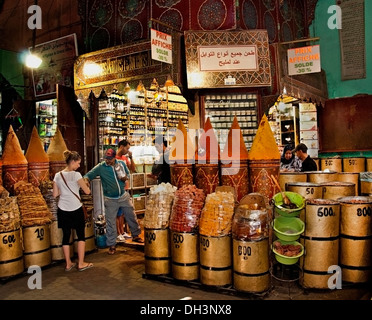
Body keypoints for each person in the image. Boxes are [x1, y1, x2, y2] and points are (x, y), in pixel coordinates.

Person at [83, 148, 143, 255]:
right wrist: (86, 180)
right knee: (110, 222)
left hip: (123, 196)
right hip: (110, 199)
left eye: (110, 159)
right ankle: (112, 244)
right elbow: (88, 175)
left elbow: (128, 175)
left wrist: (125, 178)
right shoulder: (101, 167)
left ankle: (136, 235)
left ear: (115, 157)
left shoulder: (121, 164)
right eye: (107, 158)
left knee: (131, 215)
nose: (108, 160)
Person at [53, 150, 93, 272]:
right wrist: (86, 185)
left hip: (62, 209)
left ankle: (68, 264)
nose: (79, 166)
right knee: (81, 235)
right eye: (78, 163)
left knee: (66, 236)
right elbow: (87, 192)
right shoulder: (76, 175)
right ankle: (81, 263)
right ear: (73, 162)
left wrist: (63, 190)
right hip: (76, 208)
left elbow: (55, 194)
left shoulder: (57, 175)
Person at [115, 140, 136, 242]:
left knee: (122, 212)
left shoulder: (124, 158)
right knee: (117, 212)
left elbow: (132, 169)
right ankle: (118, 233)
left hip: (125, 188)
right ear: (121, 146)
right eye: (127, 148)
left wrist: (131, 158)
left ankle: (122, 231)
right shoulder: (114, 158)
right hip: (117, 189)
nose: (128, 150)